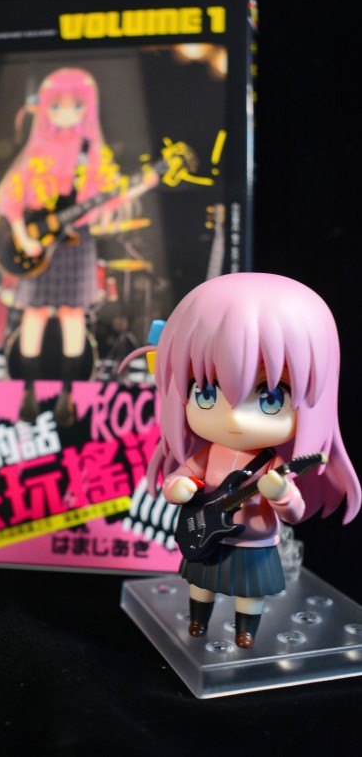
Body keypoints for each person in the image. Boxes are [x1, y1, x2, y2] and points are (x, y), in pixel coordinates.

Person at [144, 272, 361, 648]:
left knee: (250, 593)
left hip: (254, 542)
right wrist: (177, 486)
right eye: (206, 392)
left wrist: (281, 494)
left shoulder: (271, 463)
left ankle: (245, 630)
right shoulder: (208, 453)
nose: (235, 419)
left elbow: (294, 513)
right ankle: (198, 621)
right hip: (208, 535)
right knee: (201, 585)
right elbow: (185, 475)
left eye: (271, 397)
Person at [0, 67, 152, 426]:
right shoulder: (37, 149)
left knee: (72, 315)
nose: (66, 112)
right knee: (34, 314)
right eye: (57, 105)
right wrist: (23, 236)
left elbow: (110, 194)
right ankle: (28, 392)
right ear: (46, 108)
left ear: (87, 107)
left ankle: (68, 395)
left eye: (75, 105)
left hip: (77, 241)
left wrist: (144, 183)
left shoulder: (90, 151)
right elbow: (10, 198)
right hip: (38, 242)